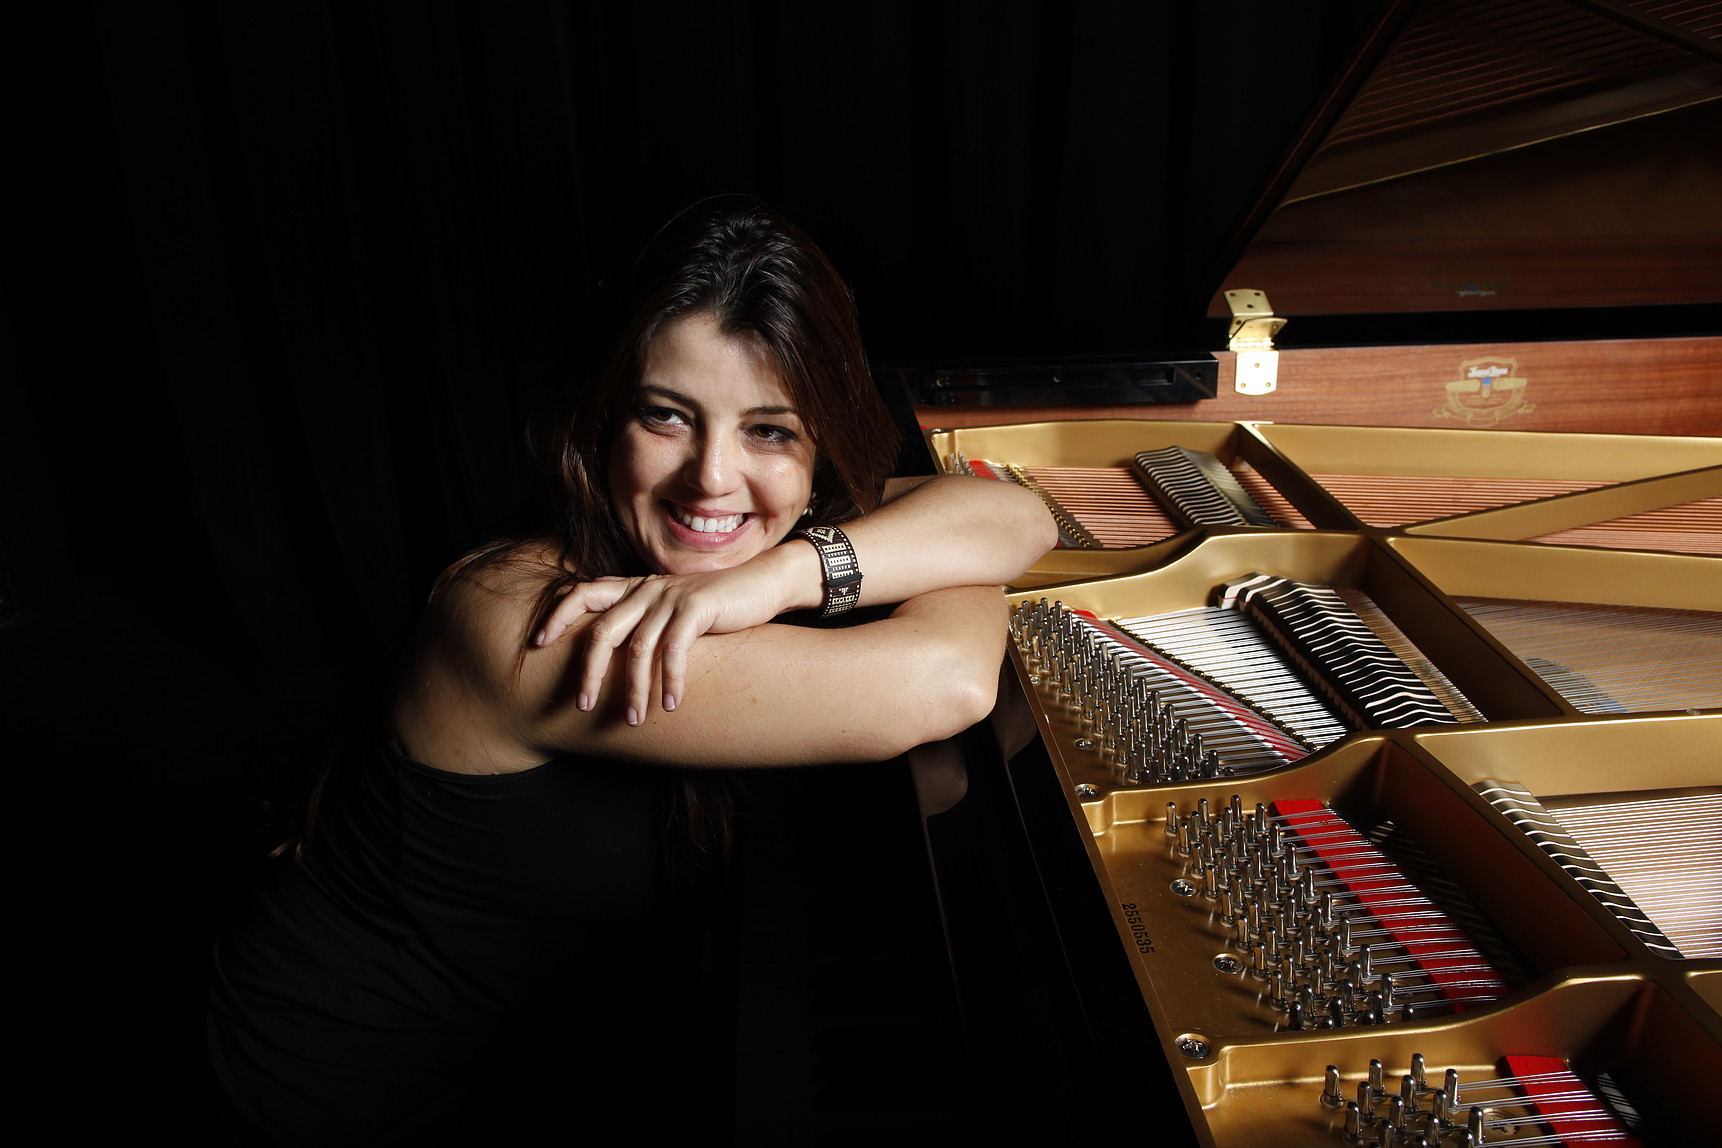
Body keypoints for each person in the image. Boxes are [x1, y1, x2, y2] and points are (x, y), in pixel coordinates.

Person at [204, 194, 1056, 1144]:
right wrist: (868, 558)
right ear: (605, 422)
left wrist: (779, 575)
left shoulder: (734, 569)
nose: (711, 479)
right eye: (667, 418)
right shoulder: (527, 624)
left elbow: (1020, 519)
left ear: (819, 452)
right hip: (301, 1098)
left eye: (770, 431)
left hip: (475, 1080)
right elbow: (947, 678)